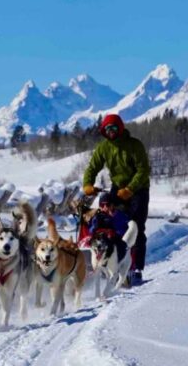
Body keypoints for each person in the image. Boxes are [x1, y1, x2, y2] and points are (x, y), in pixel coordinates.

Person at [82, 114, 150, 285]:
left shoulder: (134, 145)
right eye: (107, 129)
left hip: (139, 190)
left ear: (120, 128)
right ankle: (113, 262)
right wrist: (87, 184)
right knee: (111, 223)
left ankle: (136, 268)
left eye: (113, 128)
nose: (110, 131)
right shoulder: (104, 147)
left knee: (137, 227)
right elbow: (93, 167)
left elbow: (143, 170)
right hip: (118, 189)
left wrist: (130, 189)